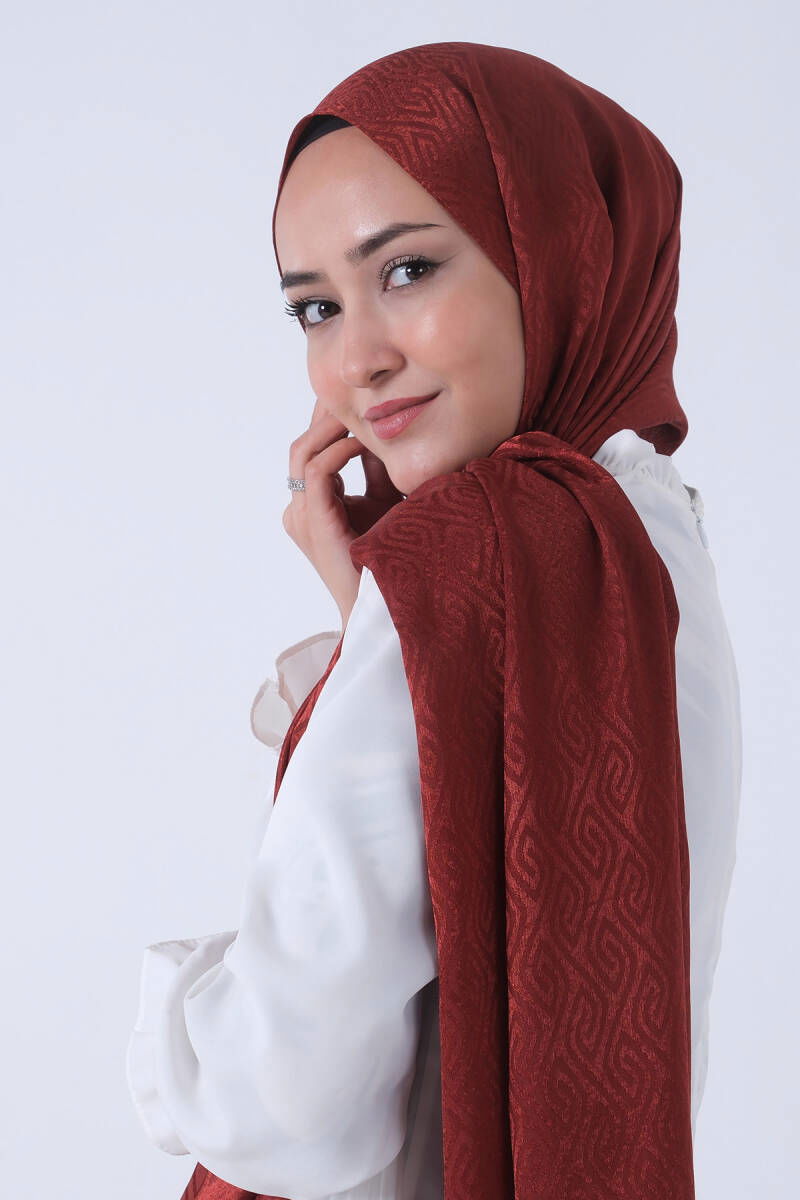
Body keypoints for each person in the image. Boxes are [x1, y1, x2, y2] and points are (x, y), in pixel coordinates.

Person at [126, 43, 742, 1200]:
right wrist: (370, 617)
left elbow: (271, 1100)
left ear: (552, 252)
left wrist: (175, 1018)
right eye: (316, 308)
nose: (357, 361)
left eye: (405, 270)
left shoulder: (469, 563)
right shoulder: (651, 542)